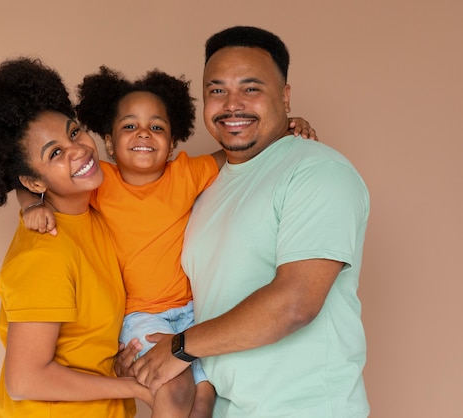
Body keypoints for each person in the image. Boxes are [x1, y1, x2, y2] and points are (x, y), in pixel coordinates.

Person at [18, 66, 317, 417]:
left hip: (193, 312)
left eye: (156, 127)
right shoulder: (99, 181)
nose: (144, 133)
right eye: (130, 126)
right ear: (110, 144)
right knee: (172, 388)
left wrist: (284, 127)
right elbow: (35, 180)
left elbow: (243, 152)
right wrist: (30, 208)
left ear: (173, 143)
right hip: (141, 315)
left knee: (206, 396)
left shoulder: (187, 173)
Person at [129, 26, 371, 418]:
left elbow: (295, 303)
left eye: (251, 88)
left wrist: (178, 348)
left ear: (285, 96)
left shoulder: (318, 171)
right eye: (217, 90)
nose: (232, 104)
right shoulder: (206, 186)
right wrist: (143, 353)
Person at [0, 57, 152, 418]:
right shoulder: (44, 253)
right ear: (34, 183)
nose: (79, 149)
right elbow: (24, 380)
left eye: (74, 132)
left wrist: (116, 365)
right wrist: (135, 387)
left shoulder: (92, 214)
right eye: (55, 154)